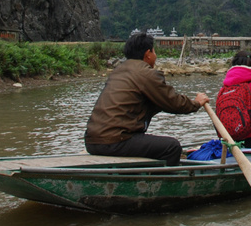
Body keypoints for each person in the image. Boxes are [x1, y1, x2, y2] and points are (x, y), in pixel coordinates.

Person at [84, 33, 209, 166]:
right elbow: (173, 102)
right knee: (172, 147)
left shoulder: (119, 71)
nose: (155, 56)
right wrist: (196, 103)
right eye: (154, 51)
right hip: (115, 141)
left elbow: (152, 103)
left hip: (92, 141)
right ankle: (165, 182)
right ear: (148, 53)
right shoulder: (146, 73)